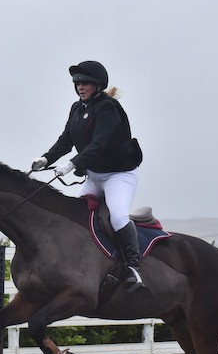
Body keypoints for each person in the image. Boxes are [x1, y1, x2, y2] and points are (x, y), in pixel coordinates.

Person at [32, 60, 145, 292]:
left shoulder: (108, 108)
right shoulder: (77, 108)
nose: (80, 87)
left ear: (97, 85)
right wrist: (46, 159)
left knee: (117, 216)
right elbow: (66, 140)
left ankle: (134, 267)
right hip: (95, 176)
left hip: (119, 175)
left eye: (85, 83)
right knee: (74, 214)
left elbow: (99, 144)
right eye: (77, 83)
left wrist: (72, 164)